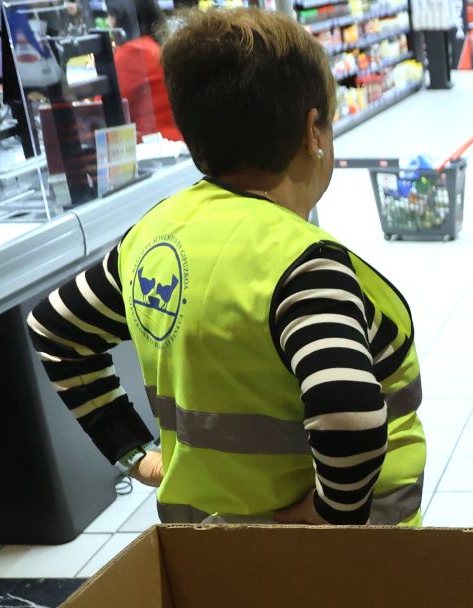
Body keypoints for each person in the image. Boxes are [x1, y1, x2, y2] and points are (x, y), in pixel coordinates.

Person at [25, 8, 427, 526]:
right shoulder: (305, 267)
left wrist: (133, 453)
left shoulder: (152, 238)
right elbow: (348, 416)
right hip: (340, 572)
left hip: (207, 548)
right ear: (313, 132)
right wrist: (326, 518)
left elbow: (54, 328)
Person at [112, 0, 179, 141]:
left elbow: (103, 110)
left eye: (111, 16)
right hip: (171, 144)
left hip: (150, 149)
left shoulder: (133, 52)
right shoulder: (153, 47)